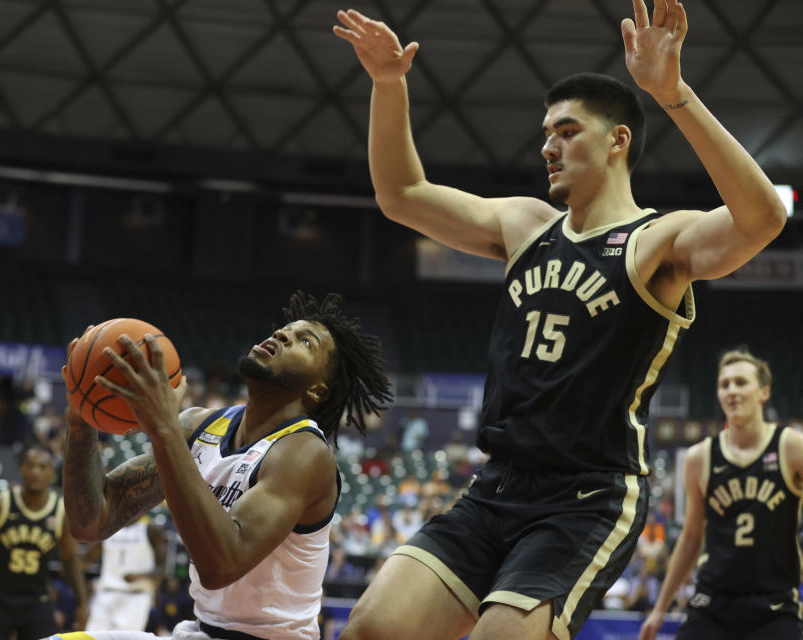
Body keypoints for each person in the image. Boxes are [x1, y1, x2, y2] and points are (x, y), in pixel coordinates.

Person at [332, 0, 786, 638]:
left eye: (568, 131)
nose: (548, 145)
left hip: (587, 496)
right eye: (546, 133)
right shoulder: (525, 224)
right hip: (496, 483)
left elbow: (763, 218)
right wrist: (387, 85)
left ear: (618, 140)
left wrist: (672, 92)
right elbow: (401, 196)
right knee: (369, 630)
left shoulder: (656, 241)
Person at [53, 291, 392, 640]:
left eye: (305, 341)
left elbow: (221, 565)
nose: (282, 335)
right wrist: (80, 423)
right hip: (201, 631)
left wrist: (164, 428)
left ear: (318, 391)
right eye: (284, 329)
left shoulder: (305, 453)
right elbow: (92, 520)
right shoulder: (199, 425)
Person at [639, 350, 803, 640]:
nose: (731, 391)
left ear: (764, 392)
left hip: (775, 604)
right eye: (724, 384)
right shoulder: (699, 458)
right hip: (713, 603)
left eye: (741, 382)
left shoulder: (791, 448)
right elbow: (690, 539)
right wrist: (660, 609)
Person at [0, 444, 88, 639]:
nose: (35, 472)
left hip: (36, 602)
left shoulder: (60, 513)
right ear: (21, 468)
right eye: (30, 465)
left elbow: (70, 559)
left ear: (52, 472)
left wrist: (83, 603)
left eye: (42, 467)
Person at [86, 518, 167, 632]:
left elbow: (162, 568)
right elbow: (88, 558)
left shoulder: (150, 527)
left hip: (135, 596)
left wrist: (140, 576)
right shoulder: (107, 527)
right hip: (106, 594)